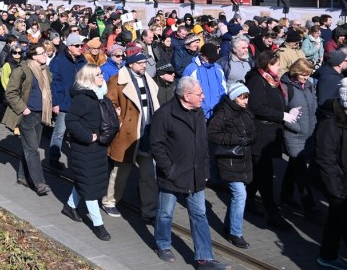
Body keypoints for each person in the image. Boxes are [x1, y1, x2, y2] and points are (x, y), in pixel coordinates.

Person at [151, 76, 231, 270]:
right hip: (173, 174)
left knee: (199, 215)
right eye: (199, 94)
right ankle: (162, 243)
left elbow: (202, 144)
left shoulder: (198, 112)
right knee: (165, 213)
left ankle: (204, 258)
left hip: (196, 174)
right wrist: (169, 169)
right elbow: (156, 145)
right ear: (186, 96)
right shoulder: (165, 114)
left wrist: (204, 168)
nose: (203, 97)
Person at [102, 52, 159, 222]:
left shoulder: (148, 79)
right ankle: (109, 201)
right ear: (131, 64)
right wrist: (119, 122)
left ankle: (149, 209)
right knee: (120, 171)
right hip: (128, 133)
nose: (144, 66)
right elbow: (109, 104)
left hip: (147, 132)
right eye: (141, 63)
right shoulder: (117, 80)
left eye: (145, 63)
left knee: (149, 174)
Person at [246, 50, 299, 229]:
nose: (279, 67)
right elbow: (257, 106)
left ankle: (247, 201)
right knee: (265, 174)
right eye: (277, 64)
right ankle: (273, 215)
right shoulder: (257, 80)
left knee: (258, 173)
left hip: (270, 131)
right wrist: (282, 115)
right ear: (268, 65)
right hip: (261, 133)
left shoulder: (272, 80)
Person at [62, 64, 112, 241]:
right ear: (89, 78)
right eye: (98, 74)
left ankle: (69, 206)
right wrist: (87, 137)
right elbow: (71, 120)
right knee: (90, 187)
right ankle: (98, 225)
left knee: (86, 180)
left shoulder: (100, 96)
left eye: (101, 73)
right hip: (84, 148)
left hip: (98, 147)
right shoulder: (83, 98)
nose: (102, 77)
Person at [207, 82, 255, 249]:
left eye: (247, 97)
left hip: (244, 159)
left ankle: (228, 226)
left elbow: (252, 131)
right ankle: (235, 233)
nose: (245, 101)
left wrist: (250, 138)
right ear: (234, 98)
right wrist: (235, 140)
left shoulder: (246, 112)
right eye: (242, 98)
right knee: (240, 195)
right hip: (229, 160)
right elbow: (212, 134)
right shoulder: (222, 113)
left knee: (238, 196)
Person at [3, 44, 53, 195]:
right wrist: (23, 109)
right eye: (41, 53)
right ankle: (39, 183)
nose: (45, 55)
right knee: (32, 150)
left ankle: (22, 176)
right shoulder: (22, 70)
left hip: (40, 114)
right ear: (33, 56)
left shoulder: (46, 71)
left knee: (30, 147)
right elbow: (10, 93)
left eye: (45, 52)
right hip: (27, 115)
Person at [314, 83, 347, 269]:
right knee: (340, 219)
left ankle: (327, 255)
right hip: (339, 186)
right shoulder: (330, 123)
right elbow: (325, 159)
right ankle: (327, 256)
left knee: (335, 221)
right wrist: (336, 190)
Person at [279, 58, 319, 213]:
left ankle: (285, 196)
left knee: (293, 167)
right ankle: (309, 204)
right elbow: (282, 112)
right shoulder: (286, 87)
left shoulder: (308, 85)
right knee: (302, 171)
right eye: (304, 74)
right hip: (294, 135)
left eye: (308, 74)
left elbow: (313, 107)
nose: (306, 77)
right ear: (296, 71)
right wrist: (296, 128)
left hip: (308, 134)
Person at [48, 32, 86, 168]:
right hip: (64, 102)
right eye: (77, 45)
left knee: (78, 132)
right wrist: (55, 102)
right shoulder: (58, 61)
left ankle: (78, 159)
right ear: (69, 46)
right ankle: (53, 158)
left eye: (81, 45)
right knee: (59, 132)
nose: (80, 47)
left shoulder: (83, 61)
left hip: (79, 102)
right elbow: (52, 84)